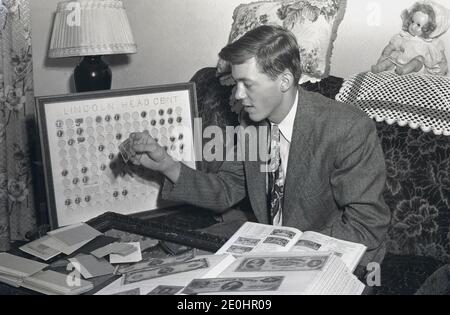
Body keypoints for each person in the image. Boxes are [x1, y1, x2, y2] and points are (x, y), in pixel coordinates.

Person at [128, 25, 390, 267]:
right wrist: (167, 165)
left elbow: (366, 225)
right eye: (236, 83)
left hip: (337, 254)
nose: (239, 95)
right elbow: (227, 189)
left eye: (248, 85)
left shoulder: (348, 128)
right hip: (272, 249)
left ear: (284, 81)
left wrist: (287, 253)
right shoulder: (250, 122)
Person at [371, 1, 448, 76]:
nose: (413, 26)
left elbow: (439, 60)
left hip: (417, 69)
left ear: (428, 29)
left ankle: (404, 70)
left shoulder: (429, 44)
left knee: (419, 59)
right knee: (390, 59)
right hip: (399, 62)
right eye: (412, 21)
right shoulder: (404, 36)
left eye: (418, 25)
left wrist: (442, 70)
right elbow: (392, 46)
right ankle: (379, 67)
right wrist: (385, 54)